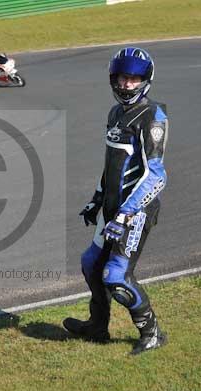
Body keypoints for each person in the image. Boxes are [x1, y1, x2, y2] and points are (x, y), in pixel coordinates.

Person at [63, 47, 169, 355]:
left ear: (145, 81)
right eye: (122, 78)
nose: (126, 85)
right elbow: (112, 164)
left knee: (116, 277)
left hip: (134, 211)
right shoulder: (115, 113)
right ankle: (98, 326)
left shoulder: (153, 117)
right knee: (90, 264)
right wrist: (96, 200)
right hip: (111, 207)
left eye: (133, 80)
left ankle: (152, 333)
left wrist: (124, 214)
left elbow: (156, 176)